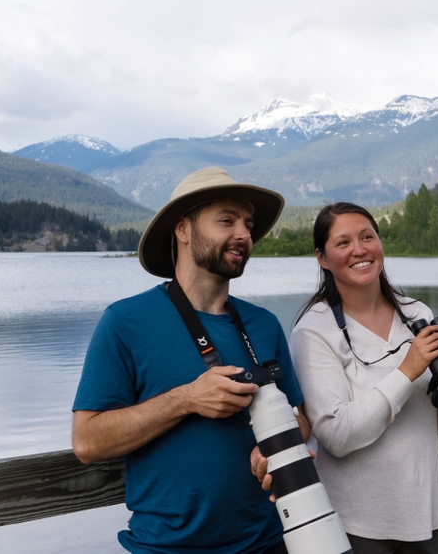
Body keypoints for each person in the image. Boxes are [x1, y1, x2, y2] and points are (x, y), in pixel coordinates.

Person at [71, 167, 308, 554]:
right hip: (165, 548)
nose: (244, 235)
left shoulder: (263, 324)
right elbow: (87, 441)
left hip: (269, 543)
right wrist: (186, 400)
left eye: (248, 225)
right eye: (226, 221)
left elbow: (302, 417)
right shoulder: (125, 322)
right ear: (183, 229)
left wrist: (277, 445)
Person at [290, 202, 438, 554]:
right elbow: (337, 435)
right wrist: (408, 370)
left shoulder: (416, 314)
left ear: (380, 243)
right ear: (322, 258)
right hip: (356, 525)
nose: (359, 250)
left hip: (426, 516)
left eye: (367, 237)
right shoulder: (314, 330)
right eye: (342, 243)